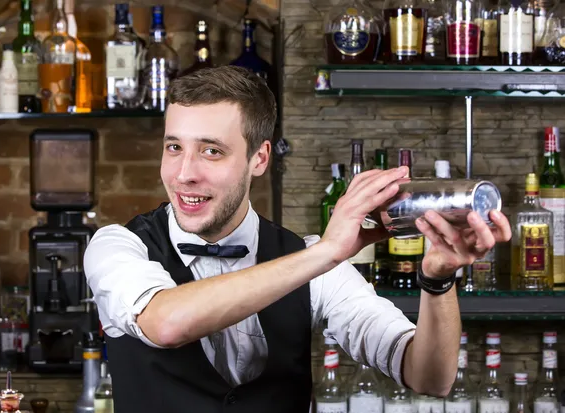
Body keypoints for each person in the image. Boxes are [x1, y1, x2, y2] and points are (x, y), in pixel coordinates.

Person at [83, 65, 512, 413]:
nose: (183, 173)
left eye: (211, 150)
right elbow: (166, 323)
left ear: (259, 159)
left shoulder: (310, 262)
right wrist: (327, 252)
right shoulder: (118, 246)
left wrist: (438, 280)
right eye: (174, 147)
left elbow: (430, 378)